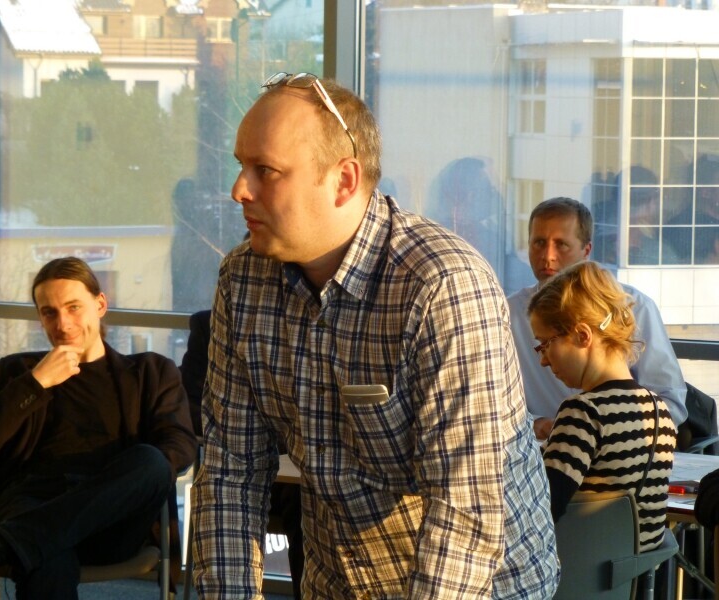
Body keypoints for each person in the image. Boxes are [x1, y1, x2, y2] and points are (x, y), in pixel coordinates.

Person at [191, 72, 559, 598]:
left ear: (344, 180)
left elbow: (464, 510)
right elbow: (231, 469)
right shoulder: (243, 280)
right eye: (240, 166)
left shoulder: (443, 286)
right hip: (340, 579)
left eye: (265, 171)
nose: (238, 190)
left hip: (481, 584)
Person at [0, 257, 197, 600]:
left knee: (152, 461)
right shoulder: (17, 372)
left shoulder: (150, 372)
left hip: (112, 517)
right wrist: (35, 383)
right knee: (45, 556)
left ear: (100, 304)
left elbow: (180, 446)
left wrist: (114, 486)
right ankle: (16, 541)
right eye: (49, 312)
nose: (63, 324)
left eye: (74, 307)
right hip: (32, 502)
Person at [507, 197, 687, 440]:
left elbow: (670, 402)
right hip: (541, 446)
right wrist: (534, 423)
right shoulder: (509, 313)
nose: (547, 256)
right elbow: (494, 402)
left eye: (561, 244)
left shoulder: (633, 306)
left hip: (622, 445)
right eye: (539, 243)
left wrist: (603, 432)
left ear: (586, 251)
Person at [528, 261, 676, 550]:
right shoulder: (659, 411)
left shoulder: (583, 412)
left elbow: (541, 510)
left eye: (545, 344)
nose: (543, 360)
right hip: (632, 572)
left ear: (582, 336)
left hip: (577, 568)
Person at [178, 309, 304, 599]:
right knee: (223, 494)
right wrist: (240, 424)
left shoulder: (317, 326)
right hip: (241, 466)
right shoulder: (210, 324)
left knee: (307, 498)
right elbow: (188, 404)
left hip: (303, 474)